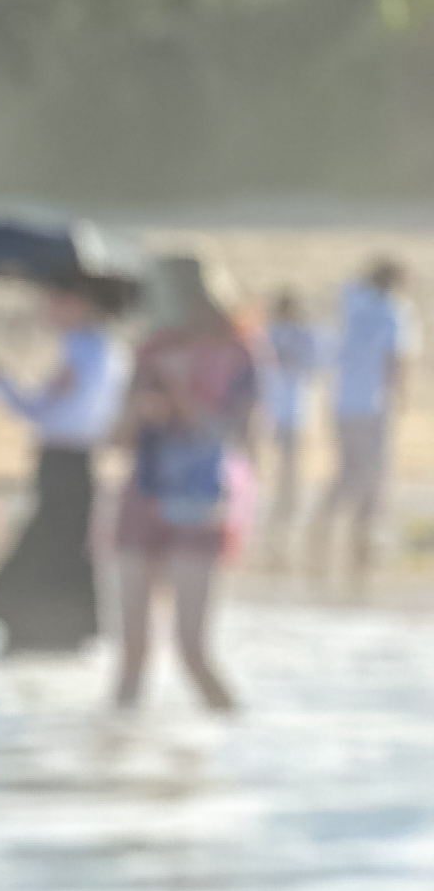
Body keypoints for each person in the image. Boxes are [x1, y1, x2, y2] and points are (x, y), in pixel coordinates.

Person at [112, 253, 256, 713]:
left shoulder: (240, 353)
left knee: (192, 650)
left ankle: (240, 744)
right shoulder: (152, 349)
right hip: (143, 495)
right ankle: (113, 759)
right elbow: (120, 436)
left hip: (202, 500)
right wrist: (139, 409)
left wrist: (180, 391)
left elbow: (233, 435)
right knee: (131, 651)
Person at [0, 282, 124, 657]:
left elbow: (41, 411)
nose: (46, 306)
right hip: (74, 461)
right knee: (59, 544)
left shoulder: (87, 351)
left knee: (50, 544)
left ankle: (45, 627)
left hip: (66, 460)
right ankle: (56, 631)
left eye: (56, 298)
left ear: (81, 302)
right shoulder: (101, 349)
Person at [317, 253, 414, 586]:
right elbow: (395, 358)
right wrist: (401, 395)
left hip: (342, 400)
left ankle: (322, 530)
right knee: (372, 475)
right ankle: (360, 544)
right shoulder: (392, 311)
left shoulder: (349, 301)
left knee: (347, 471)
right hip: (372, 403)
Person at [259, 287, 322, 551]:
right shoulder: (271, 335)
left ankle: (287, 506)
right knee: (285, 461)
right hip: (279, 408)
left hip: (292, 409)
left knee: (291, 461)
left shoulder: (298, 335)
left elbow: (313, 364)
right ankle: (279, 507)